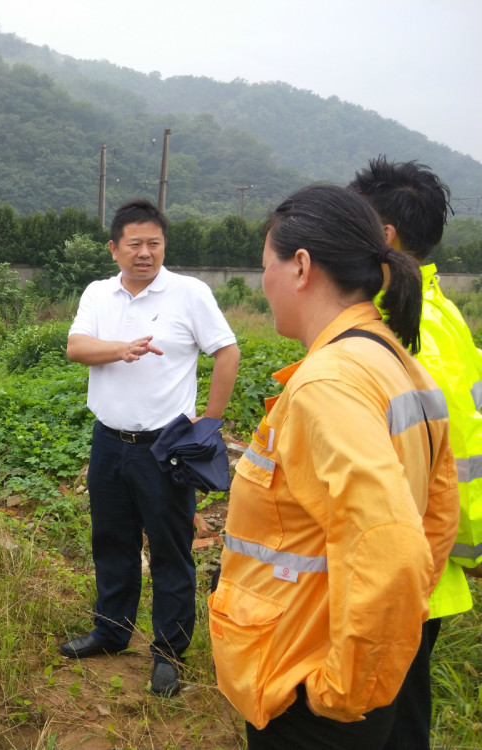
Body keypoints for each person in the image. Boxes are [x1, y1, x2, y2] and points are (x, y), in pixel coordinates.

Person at [209, 184, 460, 750]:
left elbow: (392, 546)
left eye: (264, 265)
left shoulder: (330, 383)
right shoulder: (395, 361)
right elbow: (437, 516)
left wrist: (344, 691)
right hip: (346, 669)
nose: (263, 283)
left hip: (309, 686)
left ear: (300, 266)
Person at [61, 197, 241, 697]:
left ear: (164, 246)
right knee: (111, 540)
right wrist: (121, 349)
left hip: (166, 446)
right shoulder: (99, 293)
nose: (145, 253)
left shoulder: (189, 293)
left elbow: (227, 352)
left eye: (154, 243)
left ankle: (168, 650)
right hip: (109, 441)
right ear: (115, 248)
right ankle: (111, 631)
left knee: (170, 549)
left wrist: (211, 421)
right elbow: (77, 348)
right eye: (135, 244)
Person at [350, 157, 482, 750]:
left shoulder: (402, 325)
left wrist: (470, 545)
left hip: (400, 571)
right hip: (422, 566)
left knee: (386, 723)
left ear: (384, 236)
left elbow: (458, 452)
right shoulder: (442, 313)